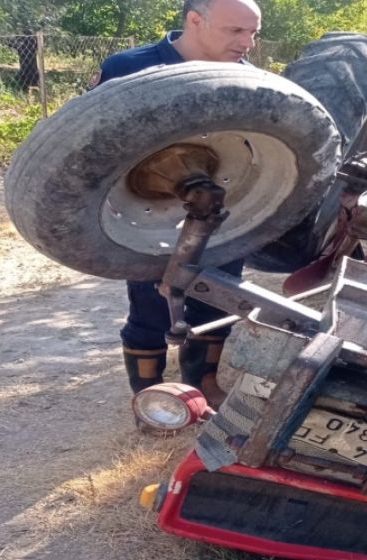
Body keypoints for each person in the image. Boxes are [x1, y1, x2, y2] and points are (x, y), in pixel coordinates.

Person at [96, 0, 262, 405]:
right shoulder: (129, 68)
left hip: (222, 212)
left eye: (253, 32)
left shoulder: (253, 82)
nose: (248, 43)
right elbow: (94, 145)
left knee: (216, 297)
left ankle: (202, 385)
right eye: (235, 31)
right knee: (152, 302)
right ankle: (150, 397)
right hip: (148, 211)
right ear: (194, 20)